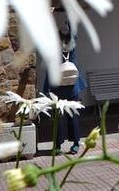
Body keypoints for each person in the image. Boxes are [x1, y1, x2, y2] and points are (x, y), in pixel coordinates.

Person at [43, 19, 86, 155]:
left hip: (58, 90)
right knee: (73, 117)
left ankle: (57, 146)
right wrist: (68, 20)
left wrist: (46, 90)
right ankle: (75, 144)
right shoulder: (72, 46)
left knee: (58, 118)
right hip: (73, 88)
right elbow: (74, 33)